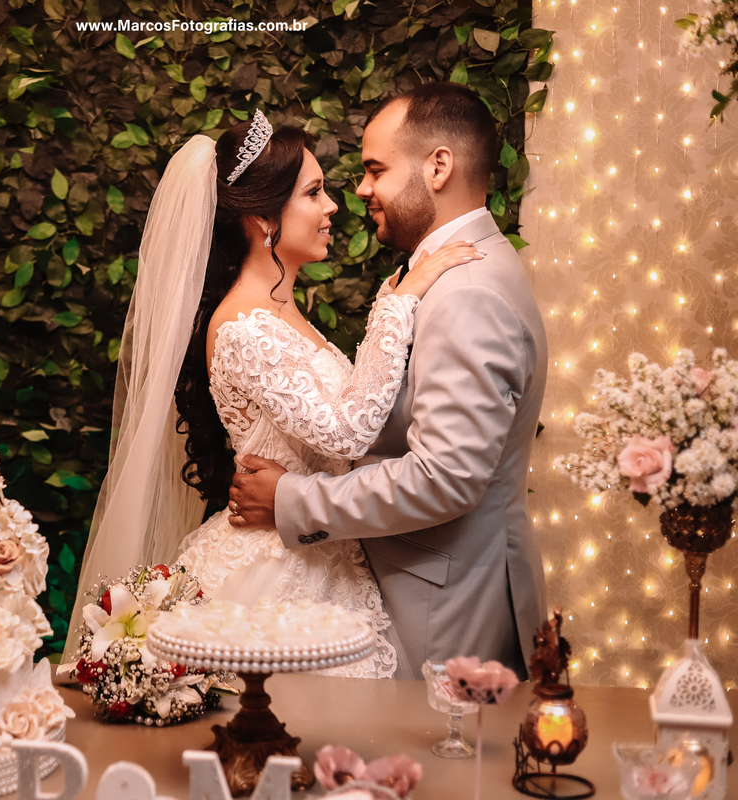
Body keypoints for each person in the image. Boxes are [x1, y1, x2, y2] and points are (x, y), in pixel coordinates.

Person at [61, 104, 482, 678]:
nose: (333, 206)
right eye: (314, 193)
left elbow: (343, 413)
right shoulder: (244, 328)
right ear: (263, 218)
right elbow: (348, 431)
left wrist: (395, 299)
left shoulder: (280, 312)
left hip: (320, 550)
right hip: (276, 574)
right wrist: (398, 304)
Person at [225, 82, 548, 680]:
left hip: (447, 606)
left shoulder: (467, 293)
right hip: (400, 584)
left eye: (375, 170)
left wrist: (291, 499)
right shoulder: (451, 273)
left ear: (438, 167)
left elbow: (443, 477)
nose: (358, 191)